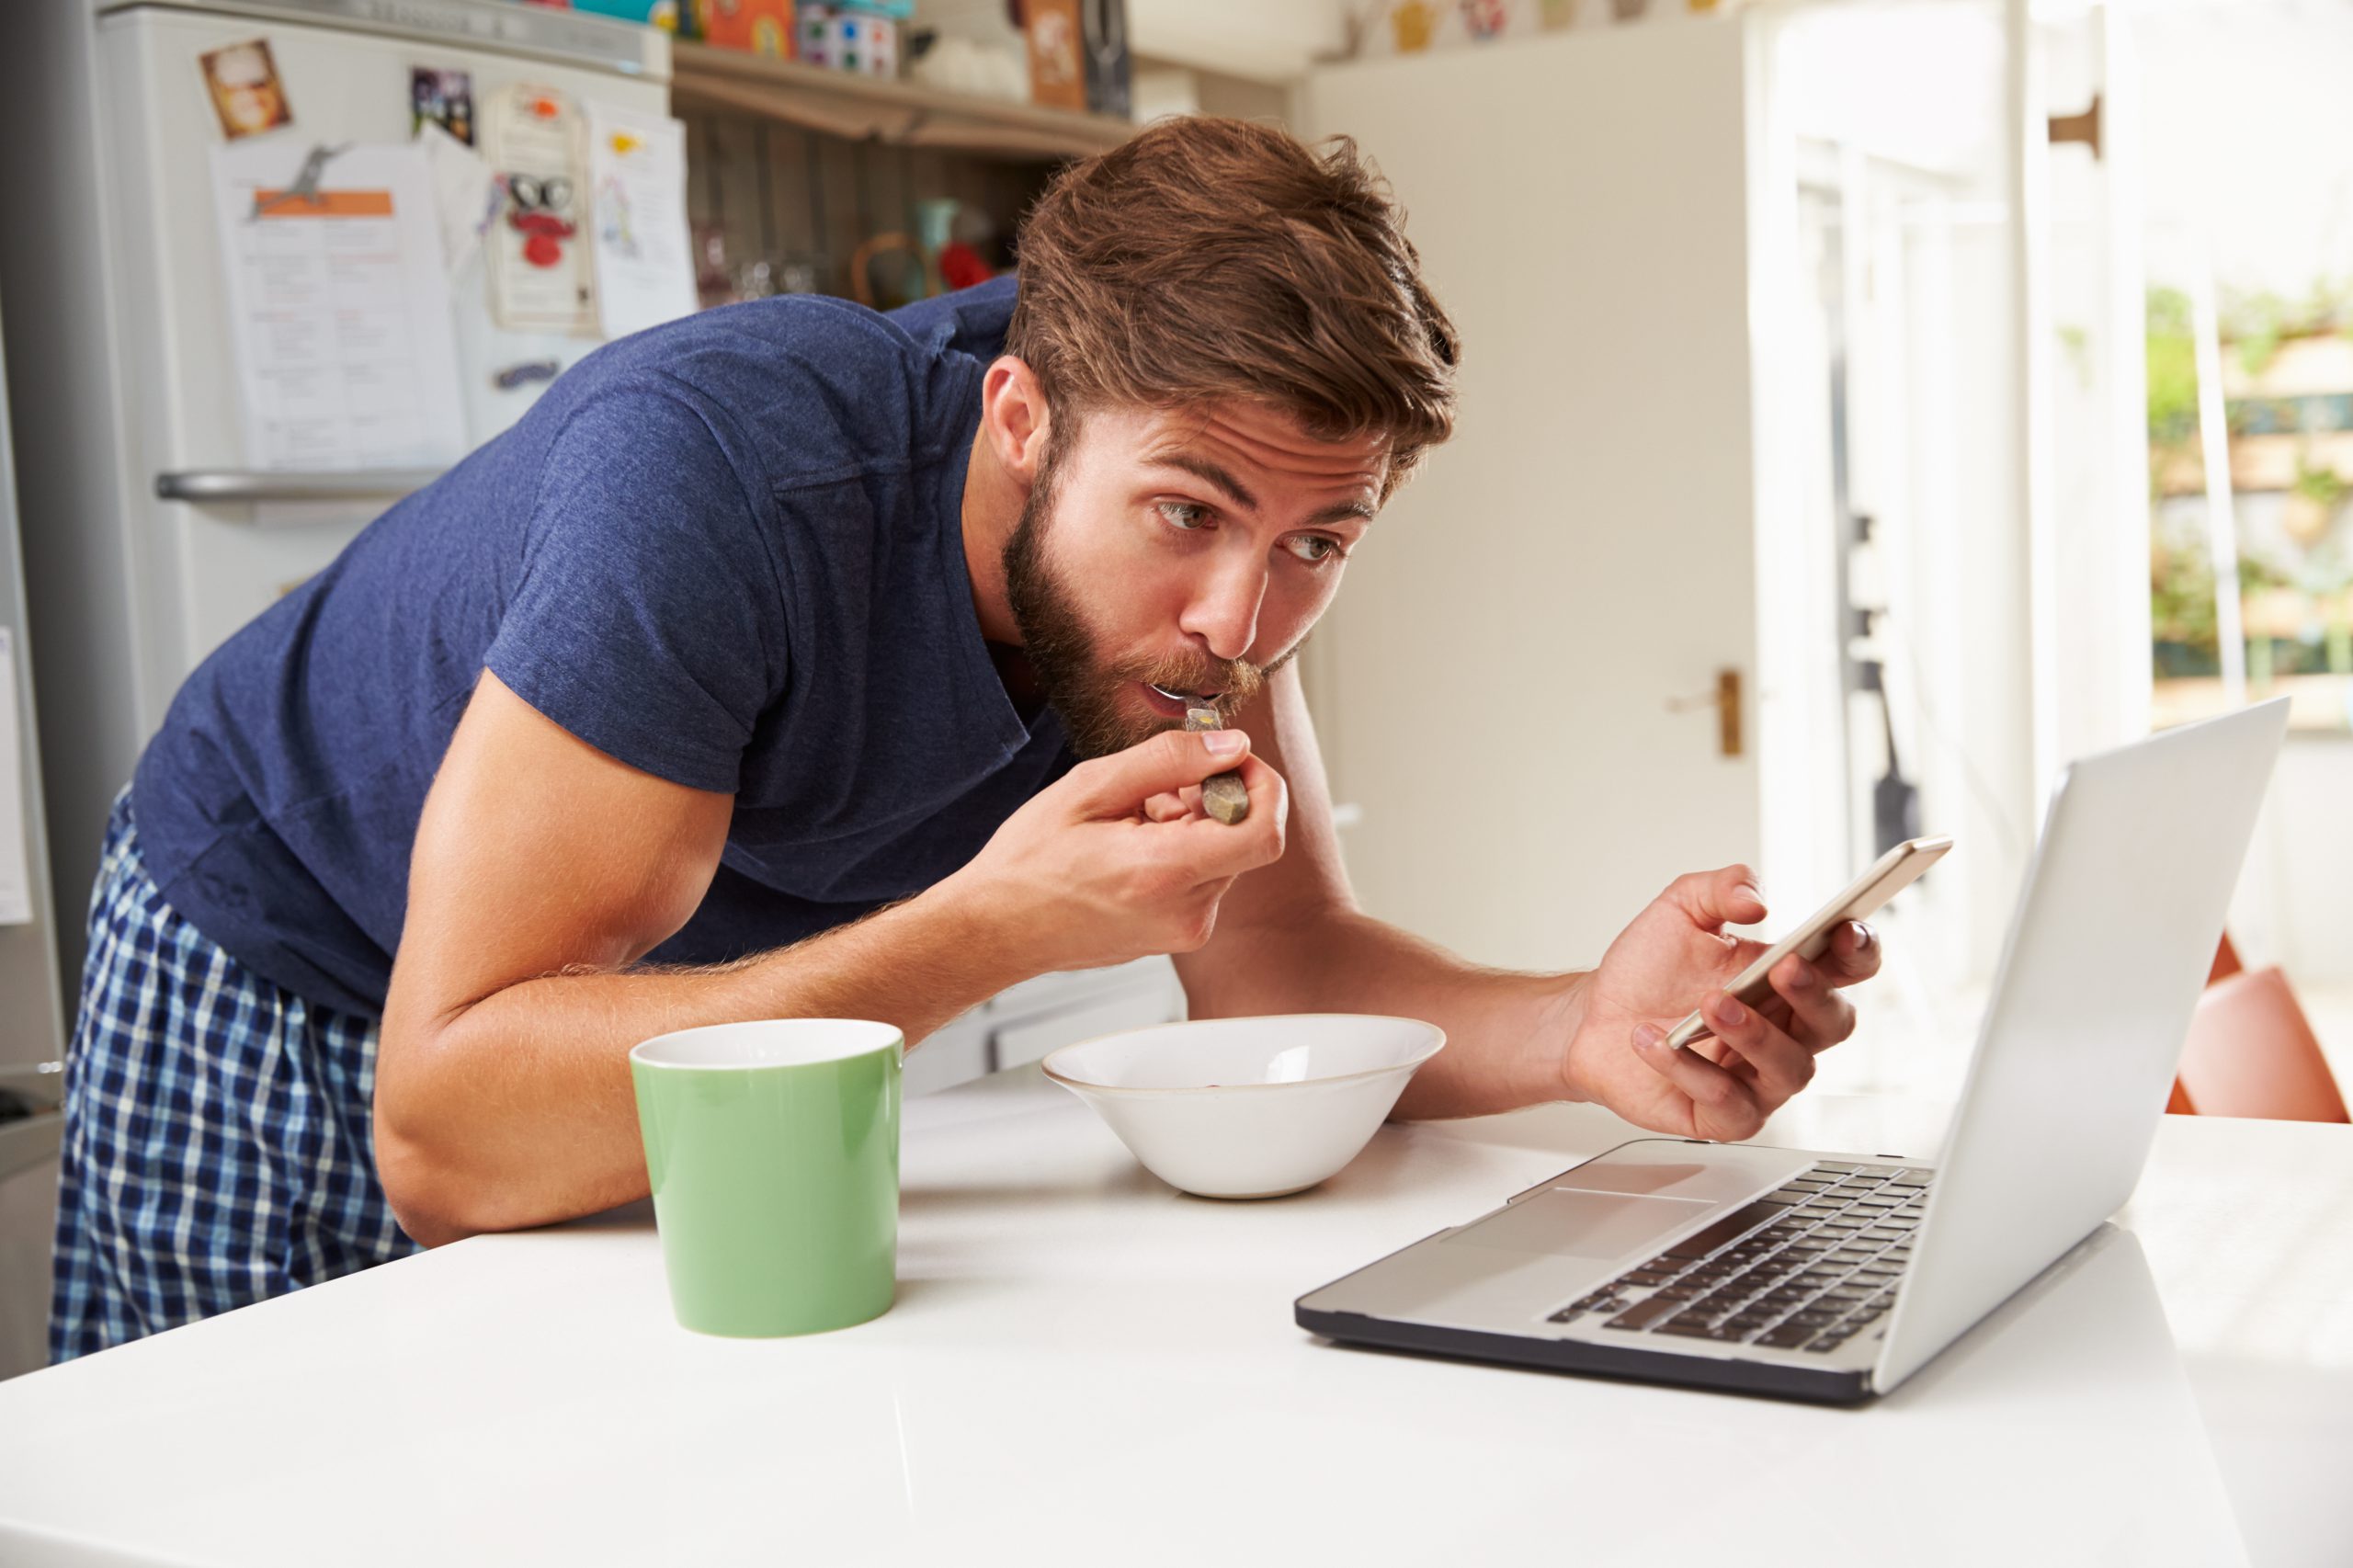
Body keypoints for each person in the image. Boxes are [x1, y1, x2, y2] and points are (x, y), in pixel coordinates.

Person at [50, 117, 1881, 1361]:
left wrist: (1580, 1026)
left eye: (1320, 540)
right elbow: (448, 1127)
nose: (1243, 623)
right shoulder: (720, 482)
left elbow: (1285, 969)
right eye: (1188, 515)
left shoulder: (1200, 569)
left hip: (623, 1006)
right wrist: (995, 924)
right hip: (291, 945)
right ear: (1019, 416)